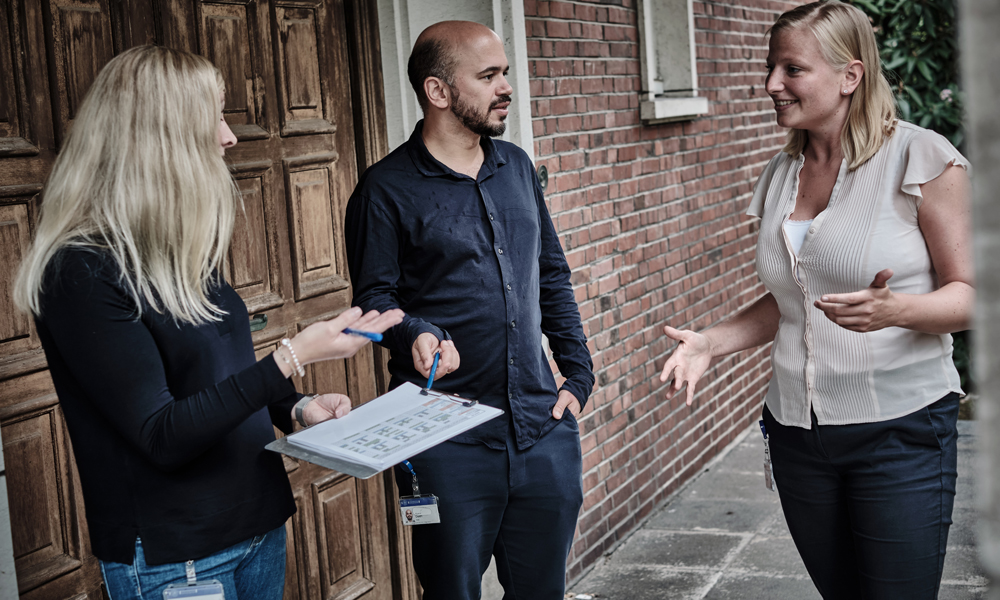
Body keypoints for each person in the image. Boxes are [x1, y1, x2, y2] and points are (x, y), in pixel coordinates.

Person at [13, 46, 403, 600]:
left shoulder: (177, 245)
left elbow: (220, 375)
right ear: (160, 140)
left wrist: (294, 407)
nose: (230, 137)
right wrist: (293, 356)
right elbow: (161, 434)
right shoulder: (80, 270)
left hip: (257, 528)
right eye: (213, 119)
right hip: (177, 556)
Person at [658, 2, 973, 598]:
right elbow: (795, 298)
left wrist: (895, 311)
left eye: (792, 68)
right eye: (771, 67)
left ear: (850, 76)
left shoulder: (921, 158)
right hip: (797, 435)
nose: (772, 84)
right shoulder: (783, 171)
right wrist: (710, 342)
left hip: (898, 434)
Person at [345, 21, 594, 600]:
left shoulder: (517, 167)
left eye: (504, 72)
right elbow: (370, 304)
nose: (505, 87)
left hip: (541, 430)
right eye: (488, 76)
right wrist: (413, 330)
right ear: (438, 92)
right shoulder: (384, 190)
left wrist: (578, 374)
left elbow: (550, 274)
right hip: (444, 443)